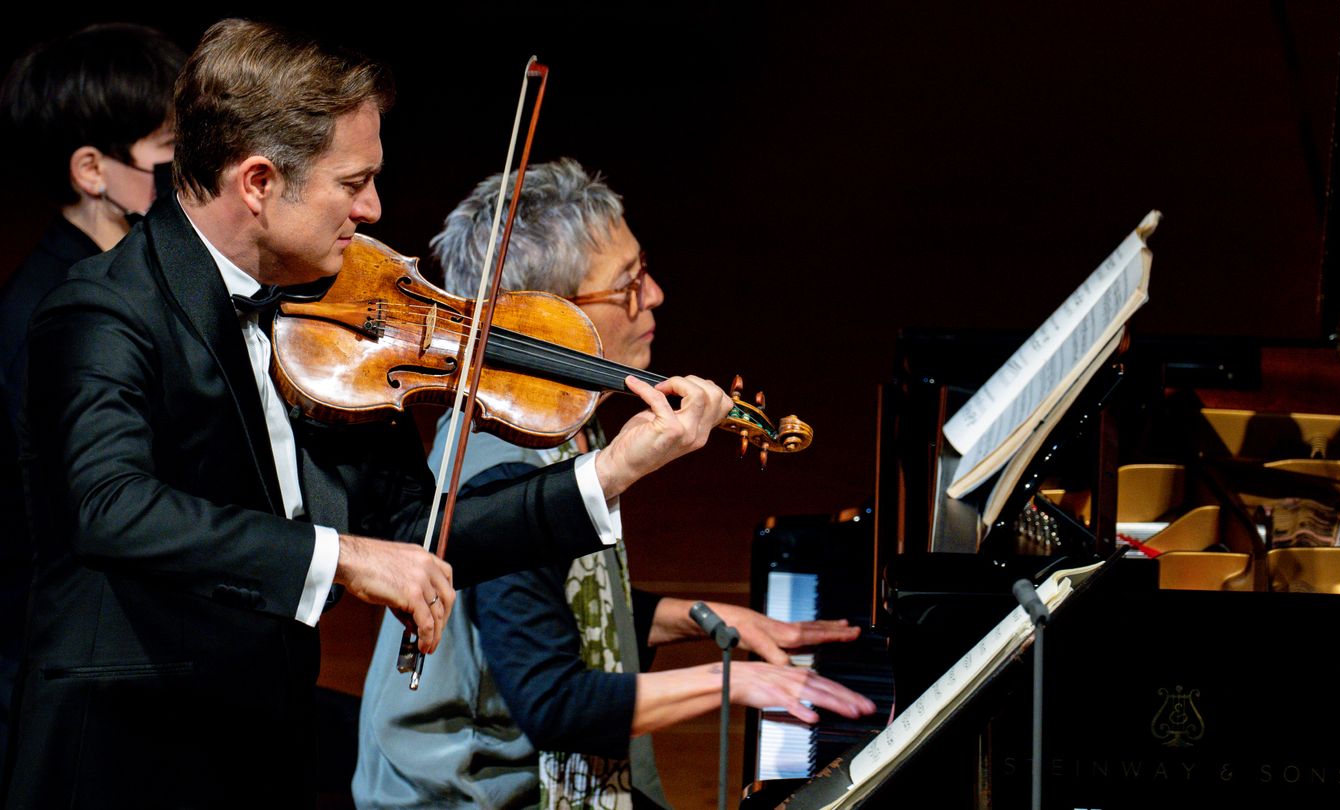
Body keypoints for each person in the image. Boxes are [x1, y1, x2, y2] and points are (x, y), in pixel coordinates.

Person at [2, 21, 730, 808]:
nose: (374, 209)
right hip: (127, 759)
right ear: (258, 183)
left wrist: (609, 471)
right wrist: (343, 556)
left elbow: (421, 532)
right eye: (354, 183)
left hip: (260, 741)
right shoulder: (103, 310)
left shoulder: (333, 315)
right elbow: (111, 507)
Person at [353, 159, 874, 809]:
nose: (654, 294)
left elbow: (554, 607)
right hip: (467, 795)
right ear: (550, 320)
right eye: (628, 284)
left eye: (643, 269)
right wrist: (737, 683)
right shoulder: (505, 468)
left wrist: (698, 619)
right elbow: (553, 703)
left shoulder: (561, 418)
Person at [0, 22, 186, 773]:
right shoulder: (56, 314)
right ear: (92, 170)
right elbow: (83, 521)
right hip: (73, 691)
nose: (191, 174)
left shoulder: (126, 281)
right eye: (171, 155)